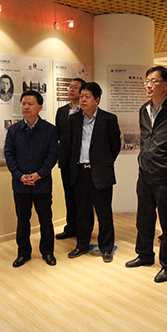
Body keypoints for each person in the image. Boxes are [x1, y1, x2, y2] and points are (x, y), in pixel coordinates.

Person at [125, 66, 167, 283]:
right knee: (144, 219)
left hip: (166, 177)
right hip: (145, 173)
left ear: (166, 85)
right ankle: (144, 254)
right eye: (147, 81)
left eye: (154, 81)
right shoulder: (144, 109)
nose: (148, 85)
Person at [67, 83, 121, 263]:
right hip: (80, 172)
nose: (82, 99)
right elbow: (71, 145)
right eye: (81, 96)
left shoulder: (108, 119)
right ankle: (82, 244)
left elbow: (115, 146)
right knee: (82, 213)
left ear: (97, 100)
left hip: (100, 173)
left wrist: (103, 164)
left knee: (104, 213)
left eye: (87, 96)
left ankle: (106, 248)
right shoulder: (74, 119)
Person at [4, 90, 58, 267]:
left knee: (45, 219)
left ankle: (48, 252)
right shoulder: (13, 130)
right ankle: (23, 253)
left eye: (30, 104)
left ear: (40, 107)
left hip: (42, 183)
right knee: (22, 220)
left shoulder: (50, 130)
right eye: (23, 104)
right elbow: (9, 154)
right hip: (21, 185)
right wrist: (20, 176)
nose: (26, 107)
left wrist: (39, 174)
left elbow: (52, 156)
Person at [54, 78, 86, 240]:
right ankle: (71, 227)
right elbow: (58, 135)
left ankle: (84, 229)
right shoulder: (61, 111)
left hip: (82, 160)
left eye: (75, 87)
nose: (71, 90)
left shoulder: (86, 110)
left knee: (82, 197)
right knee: (69, 195)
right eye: (70, 87)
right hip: (66, 160)